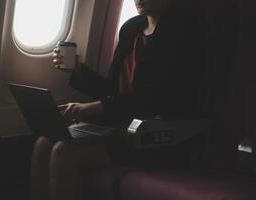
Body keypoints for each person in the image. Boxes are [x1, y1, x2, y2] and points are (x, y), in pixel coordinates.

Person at [31, 0, 206, 200]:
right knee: (44, 143)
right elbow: (113, 90)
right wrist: (76, 70)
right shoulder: (132, 28)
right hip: (119, 125)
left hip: (153, 133)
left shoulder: (183, 33)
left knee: (64, 153)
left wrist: (95, 108)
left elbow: (155, 99)